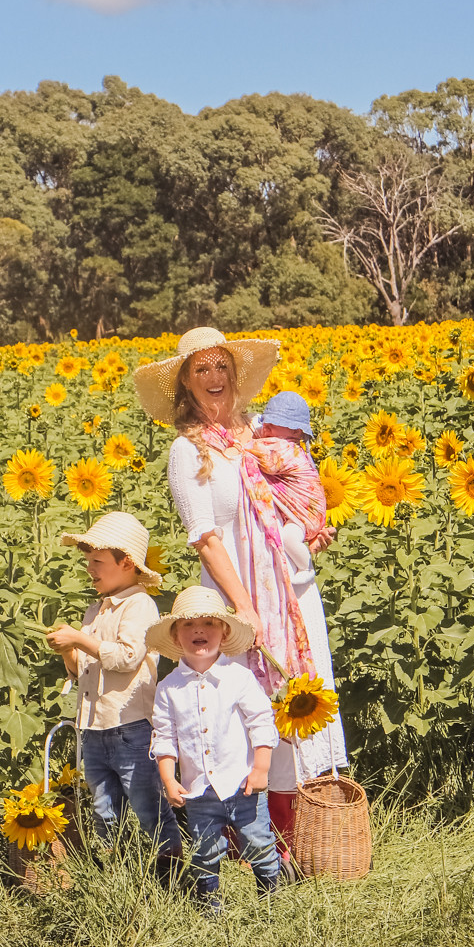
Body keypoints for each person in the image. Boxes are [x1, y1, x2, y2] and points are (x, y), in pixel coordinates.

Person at [134, 327, 347, 852]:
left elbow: (293, 489)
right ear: (186, 382)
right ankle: (249, 841)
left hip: (292, 591)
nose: (214, 377)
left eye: (221, 367)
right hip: (236, 599)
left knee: (297, 697)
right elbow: (205, 538)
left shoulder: (258, 430)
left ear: (234, 374)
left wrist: (313, 530)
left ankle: (305, 836)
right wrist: (244, 609)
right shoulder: (188, 452)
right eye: (201, 369)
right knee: (243, 709)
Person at [46, 511, 182, 863]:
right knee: (104, 812)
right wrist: (68, 651)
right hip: (93, 727)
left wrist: (78, 637)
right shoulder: (96, 610)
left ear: (126, 562)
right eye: (88, 561)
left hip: (130, 727)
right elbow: (82, 671)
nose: (90, 569)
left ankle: (172, 874)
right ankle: (116, 876)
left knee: (147, 807)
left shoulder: (140, 605)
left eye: (97, 561)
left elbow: (125, 658)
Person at [149, 586, 282, 912]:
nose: (199, 630)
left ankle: (272, 904)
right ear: (176, 636)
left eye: (209, 622)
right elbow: (164, 738)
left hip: (243, 784)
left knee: (257, 842)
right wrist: (169, 781)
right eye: (188, 624)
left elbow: (262, 723)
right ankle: (210, 910)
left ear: (224, 633)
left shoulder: (239, 678)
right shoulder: (169, 688)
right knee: (205, 850)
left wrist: (261, 769)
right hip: (198, 791)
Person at [250, 390, 327, 576]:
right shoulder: (287, 446)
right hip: (301, 512)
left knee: (288, 539)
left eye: (272, 425)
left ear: (295, 432)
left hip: (305, 515)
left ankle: (306, 567)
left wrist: (240, 445)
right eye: (265, 424)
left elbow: (267, 462)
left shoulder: (288, 450)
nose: (265, 428)